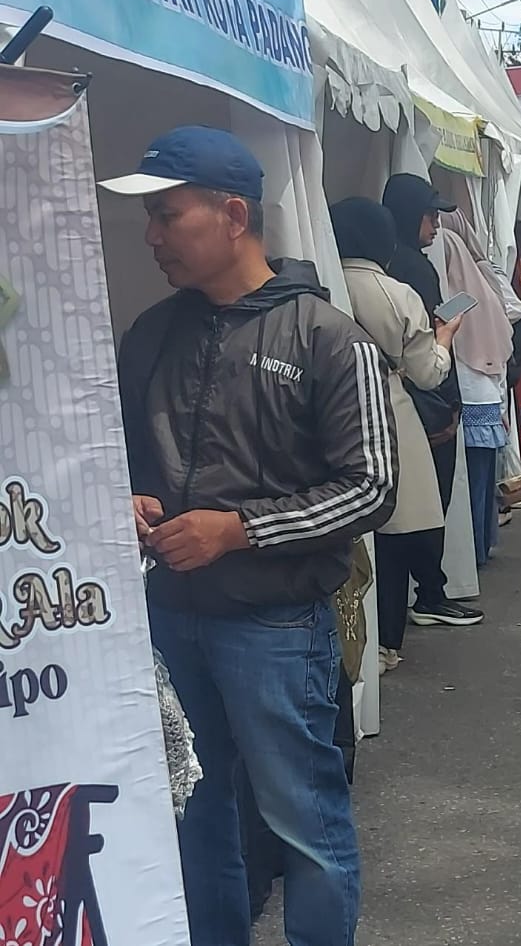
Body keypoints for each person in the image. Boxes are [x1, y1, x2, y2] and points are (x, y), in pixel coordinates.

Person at [107, 127, 398, 946]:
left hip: (275, 626)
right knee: (194, 818)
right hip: (169, 620)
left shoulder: (327, 339)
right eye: (151, 219)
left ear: (233, 214)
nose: (153, 236)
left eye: (168, 216)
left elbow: (372, 487)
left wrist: (238, 531)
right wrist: (122, 497)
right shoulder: (151, 335)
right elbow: (119, 453)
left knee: (305, 825)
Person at [330, 197, 466, 669]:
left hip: (326, 414)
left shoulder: (316, 279)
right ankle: (385, 642)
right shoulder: (395, 293)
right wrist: (445, 337)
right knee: (390, 532)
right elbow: (428, 373)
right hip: (388, 412)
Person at [381, 172, 483, 627]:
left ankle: (424, 590)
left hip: (409, 400)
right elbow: (425, 346)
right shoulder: (411, 270)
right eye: (429, 215)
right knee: (428, 502)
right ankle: (429, 593)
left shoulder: (391, 261)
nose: (436, 225)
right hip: (425, 398)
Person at [437, 208, 520, 569]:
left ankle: (467, 556)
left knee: (465, 487)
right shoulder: (484, 278)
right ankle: (481, 547)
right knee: (482, 485)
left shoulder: (449, 278)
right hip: (488, 395)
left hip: (465, 394)